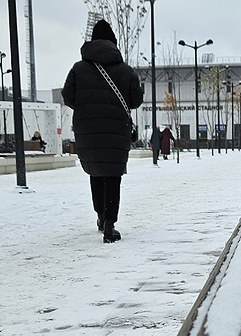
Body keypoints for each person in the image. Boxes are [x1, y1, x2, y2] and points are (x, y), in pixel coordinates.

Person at [62, 19, 143, 243]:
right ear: (113, 43)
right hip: (117, 130)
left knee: (95, 171)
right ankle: (110, 224)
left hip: (88, 130)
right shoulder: (126, 71)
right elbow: (136, 101)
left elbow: (68, 97)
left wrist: (88, 108)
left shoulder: (78, 69)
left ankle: (100, 215)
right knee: (113, 175)